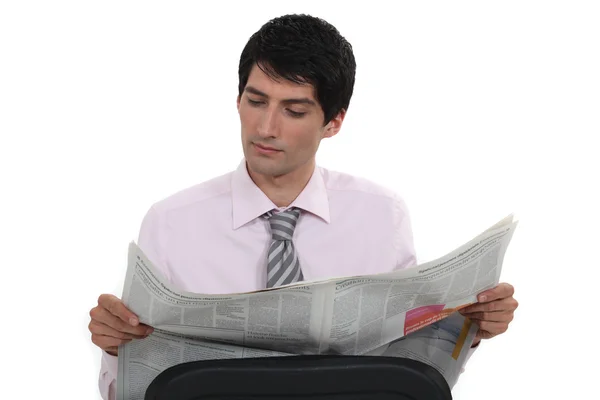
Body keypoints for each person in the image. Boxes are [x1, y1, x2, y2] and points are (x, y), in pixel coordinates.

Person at [88, 13, 519, 399]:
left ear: (333, 122)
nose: (265, 127)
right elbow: (131, 388)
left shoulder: (380, 215)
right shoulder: (172, 222)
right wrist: (114, 346)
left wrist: (470, 325)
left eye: (293, 111)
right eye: (255, 101)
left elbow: (402, 364)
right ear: (238, 101)